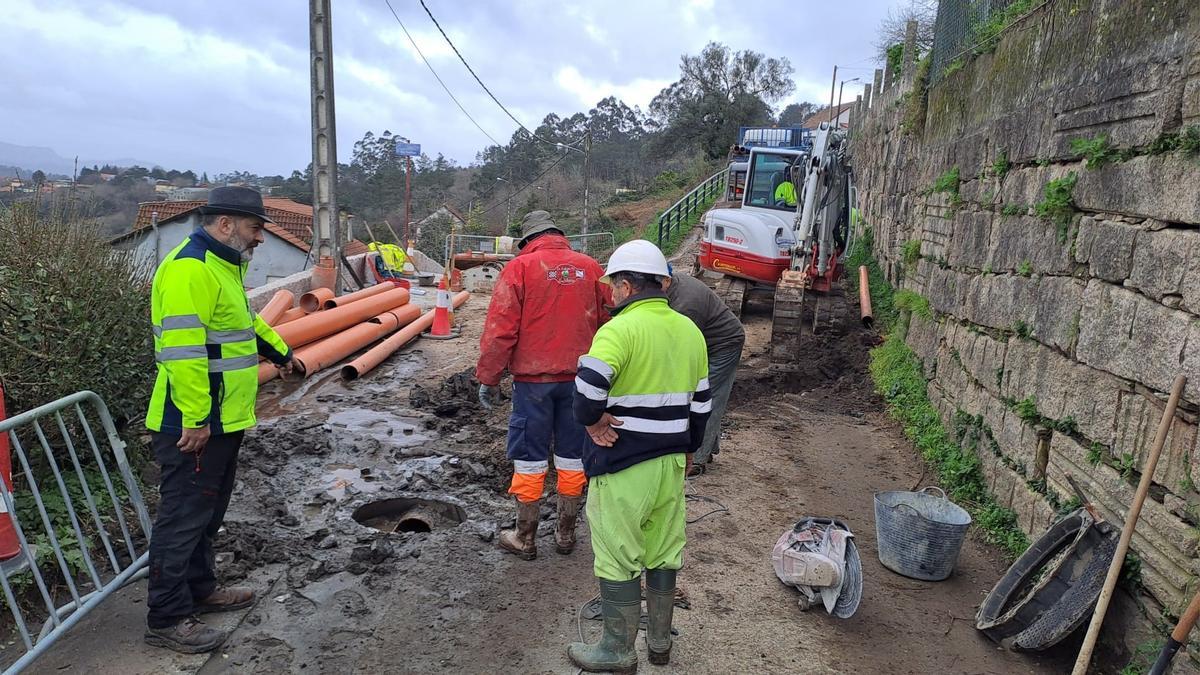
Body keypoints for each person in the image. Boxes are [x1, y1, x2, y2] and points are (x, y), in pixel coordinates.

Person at [144, 187, 300, 653]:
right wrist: (196, 418)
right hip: (191, 424)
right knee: (182, 520)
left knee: (206, 515)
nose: (258, 240)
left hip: (222, 420)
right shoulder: (190, 270)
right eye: (254, 229)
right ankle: (167, 618)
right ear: (226, 224)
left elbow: (244, 324)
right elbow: (184, 353)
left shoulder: (221, 268)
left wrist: (282, 352)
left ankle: (201, 590)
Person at [569, 240, 710, 672]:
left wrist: (593, 423)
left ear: (627, 286)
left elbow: (588, 388)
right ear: (663, 283)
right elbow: (701, 403)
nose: (611, 294)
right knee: (664, 548)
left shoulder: (618, 330)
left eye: (613, 286)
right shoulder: (690, 330)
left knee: (617, 550)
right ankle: (660, 643)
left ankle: (617, 650)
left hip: (625, 462)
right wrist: (690, 450)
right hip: (671, 462)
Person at [475, 210, 610, 560]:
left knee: (530, 460)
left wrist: (489, 378)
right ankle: (566, 534)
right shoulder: (592, 268)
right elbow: (610, 322)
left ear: (528, 240)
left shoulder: (519, 269)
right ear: (558, 234)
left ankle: (525, 537)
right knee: (573, 456)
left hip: (533, 386)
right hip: (582, 382)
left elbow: (500, 331)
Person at [662, 270, 745, 476]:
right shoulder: (671, 288)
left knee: (706, 397)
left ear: (666, 279)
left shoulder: (686, 304)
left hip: (724, 344)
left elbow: (681, 349)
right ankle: (707, 449)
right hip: (708, 342)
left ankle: (697, 458)